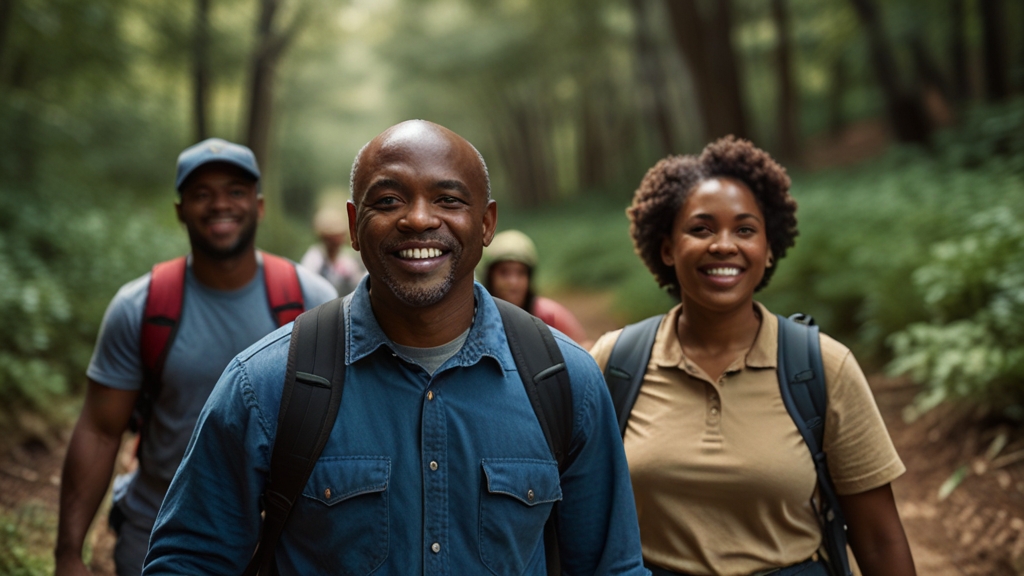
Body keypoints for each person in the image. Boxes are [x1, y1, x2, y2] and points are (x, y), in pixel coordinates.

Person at [143, 120, 649, 575]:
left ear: (488, 223)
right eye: (387, 201)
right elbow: (188, 562)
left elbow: (611, 566)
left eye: (449, 200)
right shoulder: (266, 384)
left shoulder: (566, 381)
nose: (418, 219)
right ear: (353, 226)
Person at [589, 137, 917, 576]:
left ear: (768, 250)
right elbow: (578, 518)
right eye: (701, 229)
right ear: (667, 248)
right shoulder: (615, 362)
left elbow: (879, 539)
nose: (724, 245)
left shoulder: (823, 367)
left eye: (745, 230)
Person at [54, 138, 338, 576]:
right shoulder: (142, 307)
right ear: (180, 209)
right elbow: (99, 428)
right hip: (160, 536)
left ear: (259, 207)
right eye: (201, 194)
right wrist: (68, 554)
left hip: (283, 542)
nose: (219, 204)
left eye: (235, 191)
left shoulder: (311, 303)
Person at [479, 229, 591, 347]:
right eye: (504, 273)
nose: (513, 282)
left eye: (521, 273)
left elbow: (584, 349)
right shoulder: (477, 320)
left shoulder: (549, 317)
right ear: (490, 277)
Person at [299, 206, 366, 296]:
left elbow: (357, 282)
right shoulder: (314, 258)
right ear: (325, 237)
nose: (340, 240)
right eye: (335, 236)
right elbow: (305, 285)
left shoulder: (345, 259)